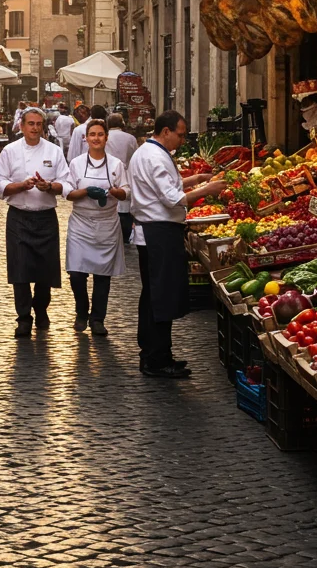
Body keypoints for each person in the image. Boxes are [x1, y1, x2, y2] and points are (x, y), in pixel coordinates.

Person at [129, 110, 223, 378]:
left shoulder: (149, 152)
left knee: (153, 296)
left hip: (155, 231)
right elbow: (172, 198)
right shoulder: (155, 157)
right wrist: (207, 191)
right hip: (158, 232)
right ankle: (157, 359)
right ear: (166, 131)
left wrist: (195, 180)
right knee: (161, 296)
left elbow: (166, 188)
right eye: (180, 135)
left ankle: (155, 353)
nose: (182, 140)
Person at [0, 106, 70, 337]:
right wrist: (20, 186)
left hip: (46, 217)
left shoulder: (54, 151)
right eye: (30, 124)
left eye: (38, 124)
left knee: (46, 270)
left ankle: (41, 307)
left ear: (43, 127)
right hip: (19, 216)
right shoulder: (9, 151)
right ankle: (24, 318)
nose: (34, 128)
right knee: (20, 269)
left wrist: (49, 187)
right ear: (22, 126)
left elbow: (66, 183)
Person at [63, 119, 129, 336]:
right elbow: (68, 193)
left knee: (103, 275)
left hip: (107, 223)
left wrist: (115, 192)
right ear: (86, 138)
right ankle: (82, 311)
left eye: (100, 134)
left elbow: (126, 192)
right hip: (81, 223)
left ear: (106, 137)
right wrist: (85, 192)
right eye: (92, 134)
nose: (96, 138)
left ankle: (98, 318)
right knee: (76, 274)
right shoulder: (76, 164)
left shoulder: (117, 165)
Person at [105, 112, 139, 244]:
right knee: (125, 206)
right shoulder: (130, 138)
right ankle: (125, 236)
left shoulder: (106, 137)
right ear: (122, 124)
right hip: (126, 173)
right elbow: (135, 157)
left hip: (108, 173)